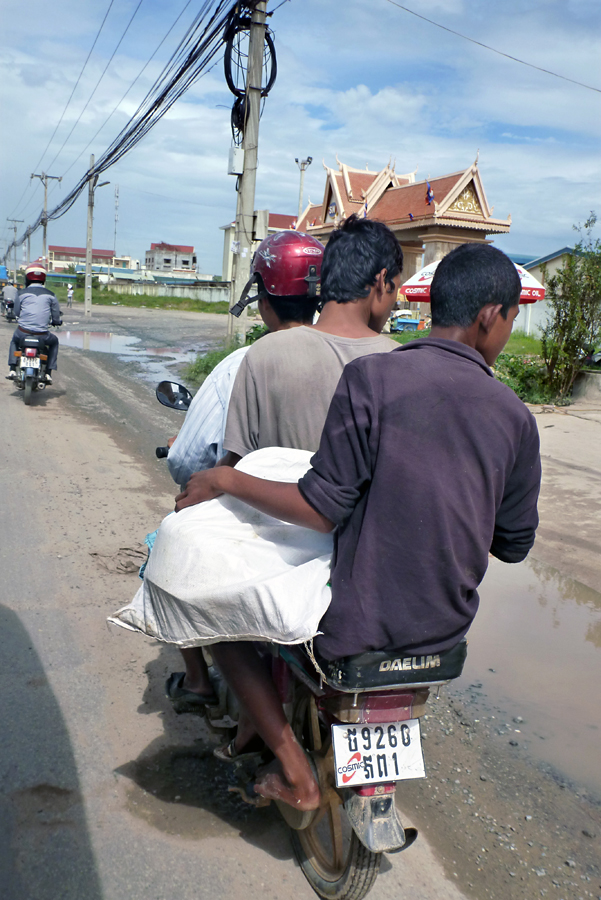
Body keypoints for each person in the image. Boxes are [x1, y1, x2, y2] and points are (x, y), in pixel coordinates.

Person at [174, 242, 541, 809]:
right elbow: (512, 546)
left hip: (355, 631)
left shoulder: (373, 379)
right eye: (513, 319)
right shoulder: (516, 417)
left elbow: (321, 507)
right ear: (490, 315)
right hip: (445, 634)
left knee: (218, 616)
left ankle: (294, 771)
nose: (508, 332)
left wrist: (224, 481)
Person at [163, 215, 402, 806]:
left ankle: (283, 757)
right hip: (372, 563)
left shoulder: (263, 358)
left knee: (208, 612)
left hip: (288, 554)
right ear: (379, 283)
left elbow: (238, 468)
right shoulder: (402, 361)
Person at [166, 230, 325, 491]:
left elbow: (187, 464)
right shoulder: (353, 360)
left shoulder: (236, 366)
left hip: (249, 519)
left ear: (263, 299)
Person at [6, 264, 61, 384]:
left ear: (27, 278)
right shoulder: (51, 295)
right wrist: (56, 321)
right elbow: (56, 314)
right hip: (42, 335)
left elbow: (16, 312)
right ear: (43, 279)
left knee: (14, 341)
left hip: (23, 332)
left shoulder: (21, 293)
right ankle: (48, 372)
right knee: (54, 341)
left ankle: (12, 369)